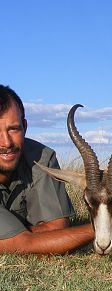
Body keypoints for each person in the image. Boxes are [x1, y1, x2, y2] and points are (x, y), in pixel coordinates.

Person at [0, 84, 94, 254]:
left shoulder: (41, 158)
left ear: (25, 127)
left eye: (13, 129)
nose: (6, 143)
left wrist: (15, 237)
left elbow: (57, 226)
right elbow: (22, 245)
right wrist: (102, 228)